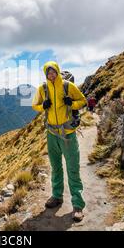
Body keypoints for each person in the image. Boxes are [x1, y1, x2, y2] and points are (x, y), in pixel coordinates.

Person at [32, 61, 87, 222]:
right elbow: (34, 105)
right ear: (45, 74)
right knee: (55, 167)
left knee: (72, 168)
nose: (51, 74)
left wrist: (72, 103)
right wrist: (43, 106)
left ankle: (78, 205)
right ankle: (57, 196)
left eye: (53, 71)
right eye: (48, 72)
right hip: (52, 134)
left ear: (57, 71)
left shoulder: (68, 86)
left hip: (68, 133)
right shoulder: (42, 89)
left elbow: (82, 101)